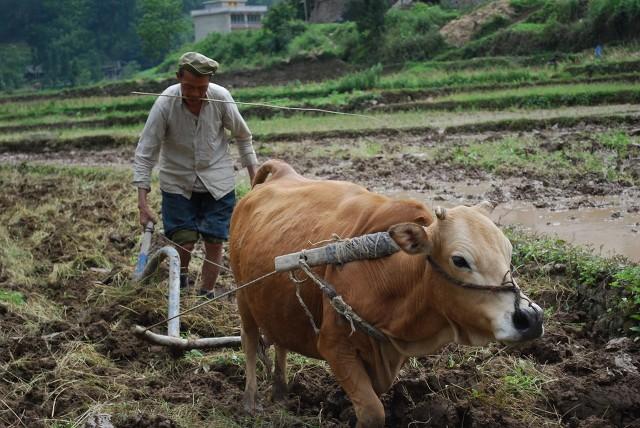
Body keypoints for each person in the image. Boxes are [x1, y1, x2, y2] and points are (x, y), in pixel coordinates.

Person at [133, 51, 257, 298]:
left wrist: (257, 183)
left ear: (209, 82)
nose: (196, 94)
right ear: (178, 77)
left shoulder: (221, 98)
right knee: (184, 241)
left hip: (217, 182)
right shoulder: (164, 103)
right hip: (177, 183)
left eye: (202, 88)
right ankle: (181, 283)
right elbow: (146, 151)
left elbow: (243, 138)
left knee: (214, 240)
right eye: (189, 87)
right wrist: (142, 203)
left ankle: (206, 293)